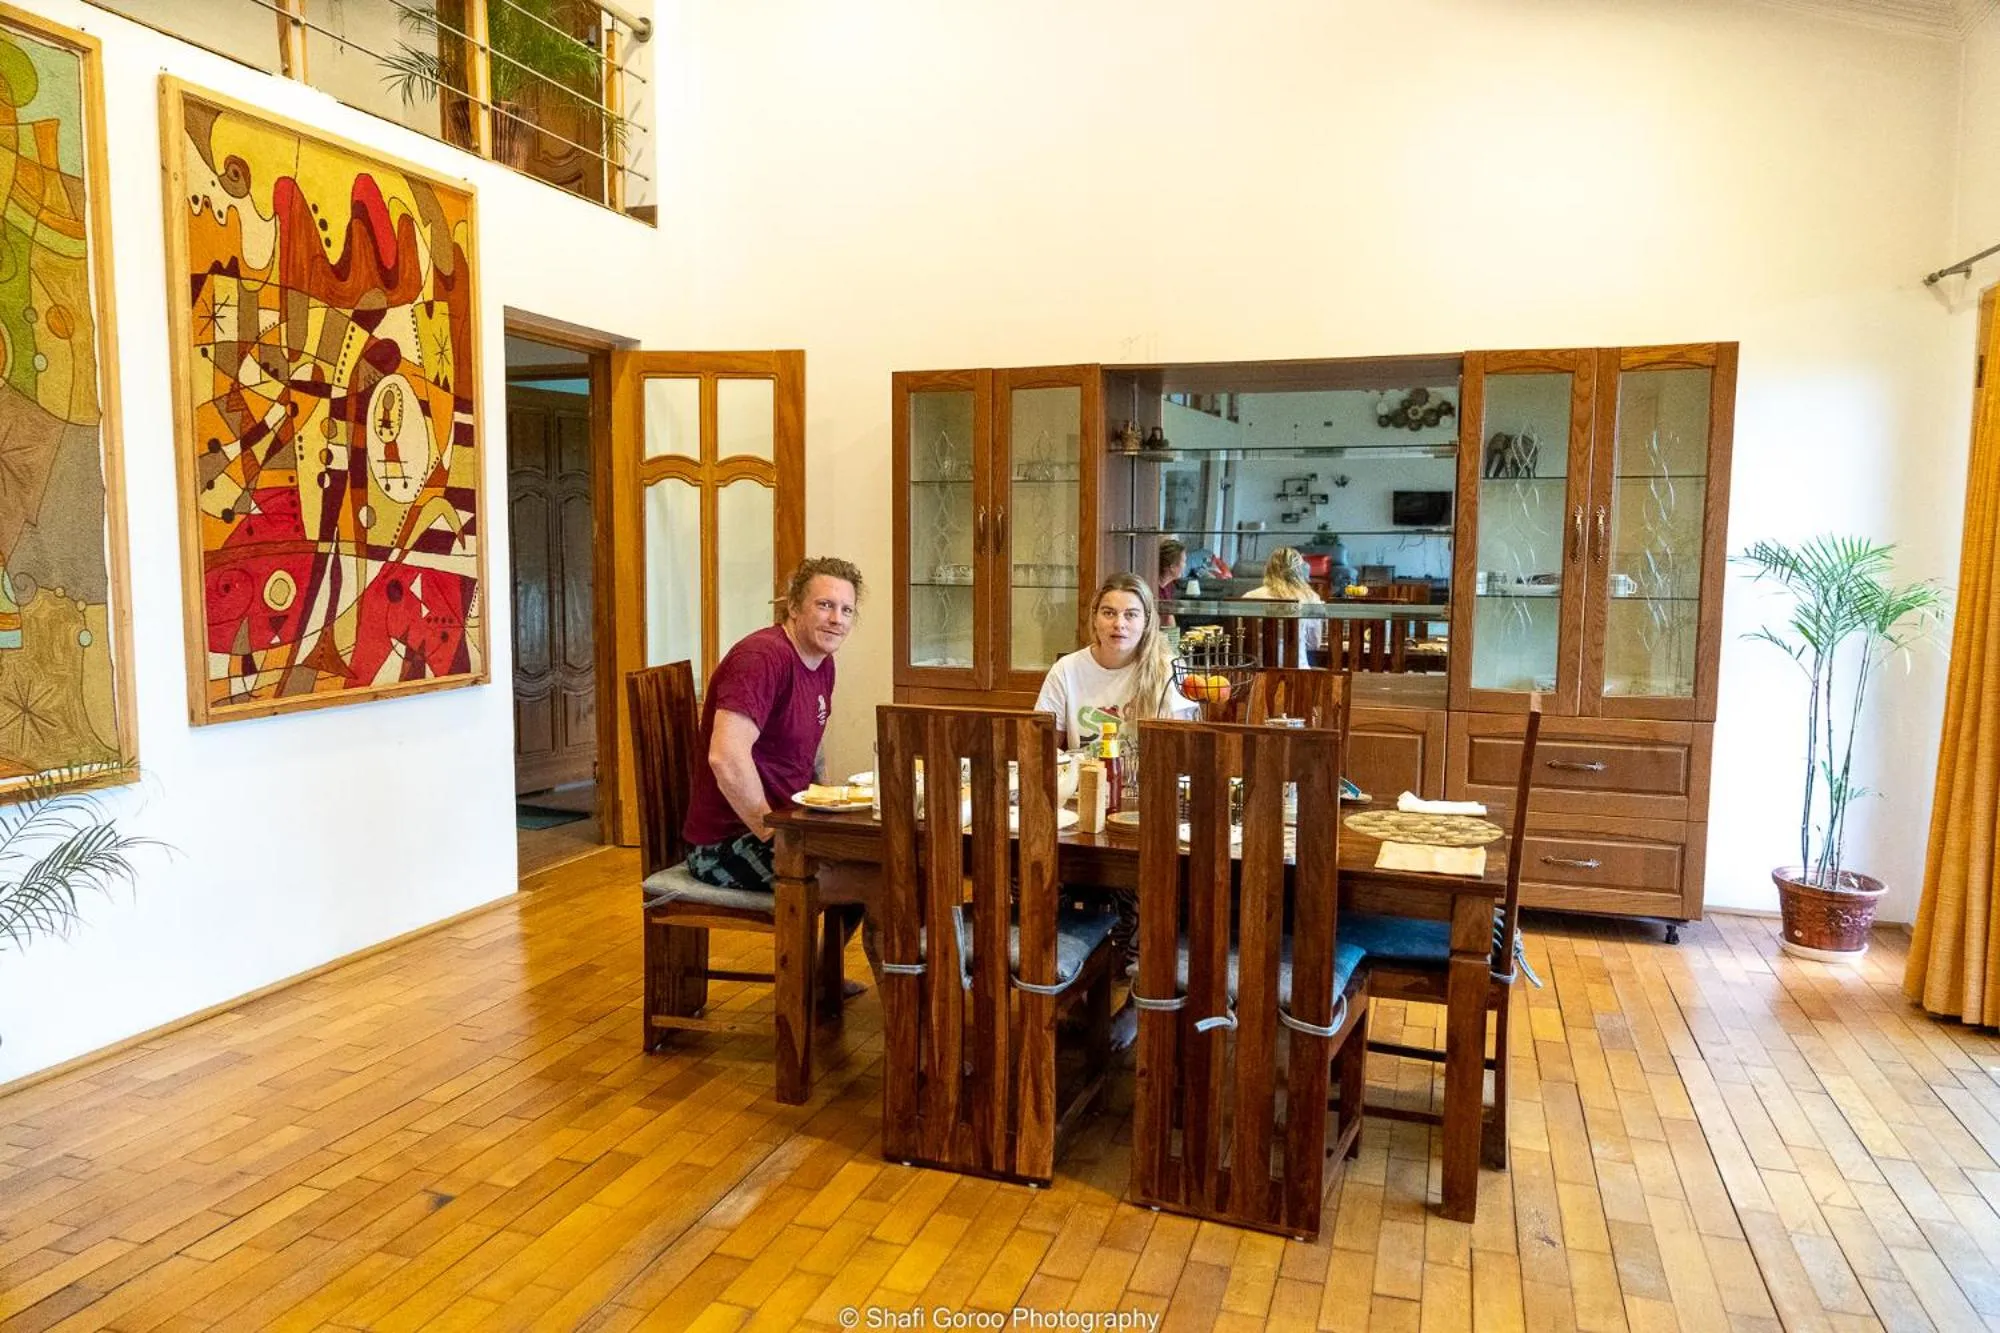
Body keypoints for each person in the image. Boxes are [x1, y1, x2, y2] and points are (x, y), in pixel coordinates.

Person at [682, 556, 866, 894]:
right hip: (727, 844)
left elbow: (810, 744)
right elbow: (725, 757)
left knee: (886, 863)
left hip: (788, 822)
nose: (836, 619)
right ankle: (816, 949)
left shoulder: (823, 663)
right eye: (825, 605)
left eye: (846, 610)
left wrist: (829, 807)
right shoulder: (762, 658)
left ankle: (827, 950)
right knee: (885, 881)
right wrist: (772, 834)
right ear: (794, 607)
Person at [1035, 572, 1199, 751]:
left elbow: (1183, 752)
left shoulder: (1169, 670)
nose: (1119, 623)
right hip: (1086, 777)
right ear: (1095, 618)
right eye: (1109, 613)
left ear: (1146, 621)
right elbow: (1041, 750)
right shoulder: (1066, 670)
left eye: (1131, 615)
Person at [1241, 546, 1327, 658]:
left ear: (1269, 569)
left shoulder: (1249, 597)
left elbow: (1242, 640)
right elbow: (1313, 644)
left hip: (1256, 670)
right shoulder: (1310, 598)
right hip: (1298, 671)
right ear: (1299, 570)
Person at [1156, 539, 1187, 604]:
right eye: (1184, 561)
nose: (1185, 565)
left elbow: (1169, 613)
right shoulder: (1153, 590)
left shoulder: (1170, 585)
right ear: (1172, 567)